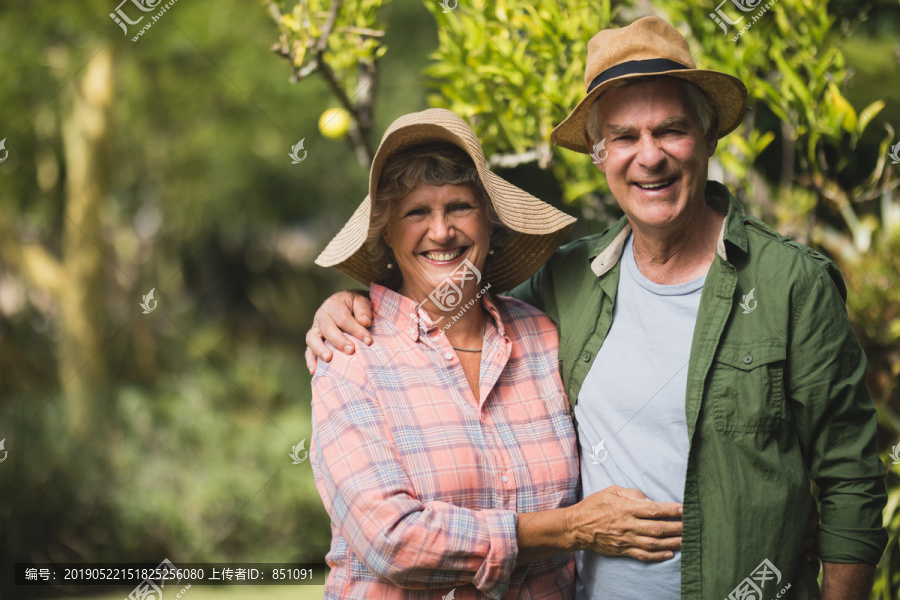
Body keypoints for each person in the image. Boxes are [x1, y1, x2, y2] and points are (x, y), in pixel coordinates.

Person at [305, 17, 887, 600]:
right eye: (626, 137)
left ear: (709, 139)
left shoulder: (791, 283)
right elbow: (447, 310)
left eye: (672, 130)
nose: (649, 157)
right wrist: (345, 307)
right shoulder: (566, 285)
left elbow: (852, 480)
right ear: (599, 154)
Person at [309, 108, 685, 600]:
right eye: (416, 212)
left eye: (460, 207)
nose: (442, 231)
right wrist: (571, 527)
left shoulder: (543, 337)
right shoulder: (352, 353)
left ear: (492, 222)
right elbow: (393, 541)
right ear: (386, 234)